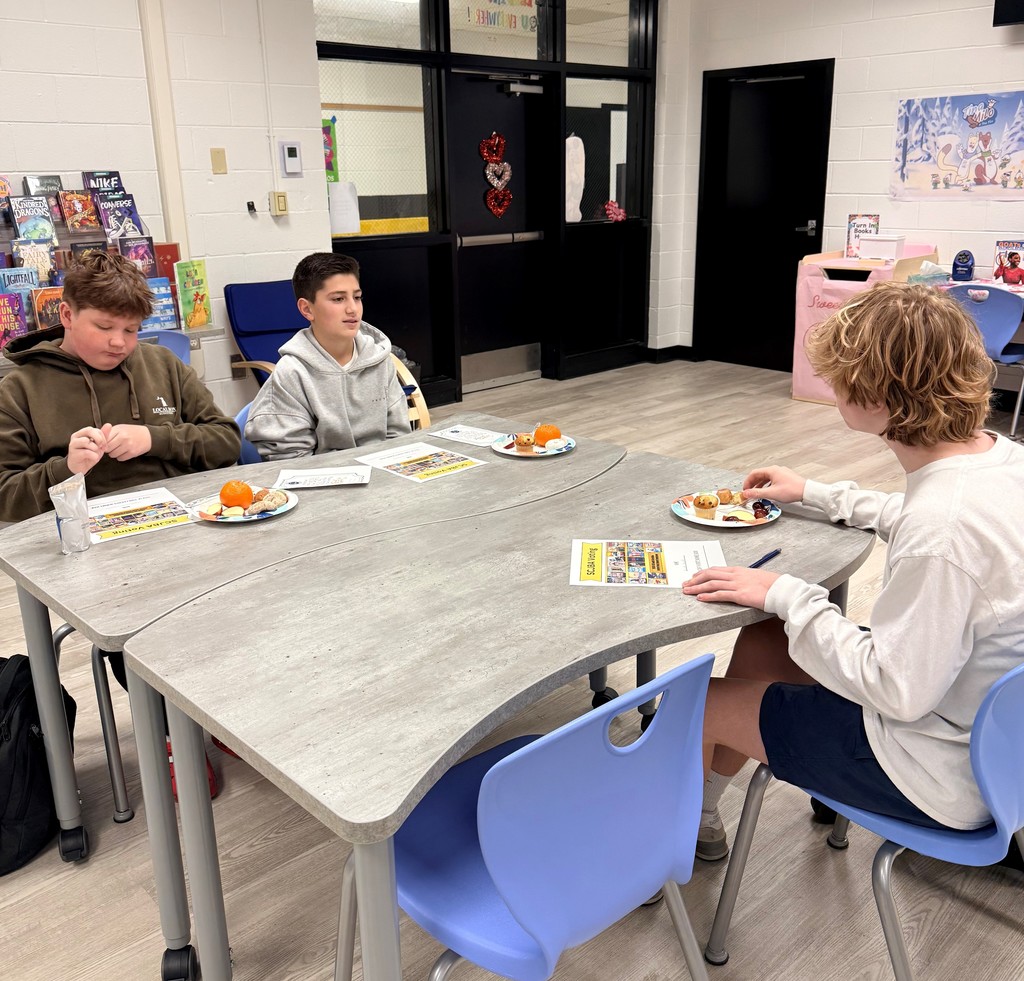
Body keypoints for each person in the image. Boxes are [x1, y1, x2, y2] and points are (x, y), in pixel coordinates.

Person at [682, 281, 1024, 863]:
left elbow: (898, 691)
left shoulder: (941, 531)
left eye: (841, 376)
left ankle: (679, 831)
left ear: (875, 397)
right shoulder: (1002, 455)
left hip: (938, 771)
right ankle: (703, 812)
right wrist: (816, 493)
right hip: (991, 737)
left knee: (701, 701)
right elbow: (919, 520)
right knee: (768, 634)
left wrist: (789, 592)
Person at [0, 251, 241, 796]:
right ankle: (170, 733)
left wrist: (155, 438)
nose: (119, 343)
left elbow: (225, 441)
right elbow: (6, 498)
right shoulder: (20, 389)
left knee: (240, 600)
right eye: (104, 327)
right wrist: (66, 469)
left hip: (188, 528)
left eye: (131, 330)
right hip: (94, 551)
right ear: (66, 314)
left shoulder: (161, 366)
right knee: (134, 624)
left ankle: (222, 711)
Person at [244, 252, 411, 460]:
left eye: (357, 297)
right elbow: (292, 460)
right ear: (307, 309)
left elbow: (399, 436)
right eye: (338, 299)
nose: (353, 309)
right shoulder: (292, 373)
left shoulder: (381, 360)